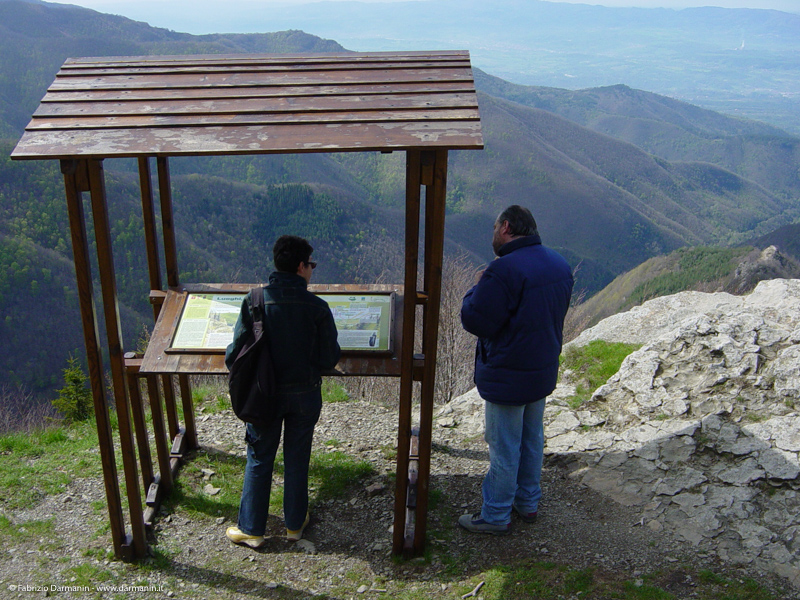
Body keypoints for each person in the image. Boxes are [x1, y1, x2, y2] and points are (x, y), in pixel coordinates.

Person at [458, 205, 573, 535]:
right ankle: (528, 502)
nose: (493, 233)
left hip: (508, 373)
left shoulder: (503, 271)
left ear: (506, 227)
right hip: (541, 369)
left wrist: (475, 288)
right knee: (532, 439)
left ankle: (495, 514)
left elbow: (476, 320)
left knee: (504, 446)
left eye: (494, 227)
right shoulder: (559, 264)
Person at [224, 235, 341, 548]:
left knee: (260, 456)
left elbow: (234, 352)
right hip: (304, 394)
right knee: (297, 457)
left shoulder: (255, 301)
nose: (312, 270)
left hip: (264, 394)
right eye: (311, 265)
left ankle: (251, 529)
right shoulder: (317, 307)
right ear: (301, 267)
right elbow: (329, 358)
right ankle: (294, 525)